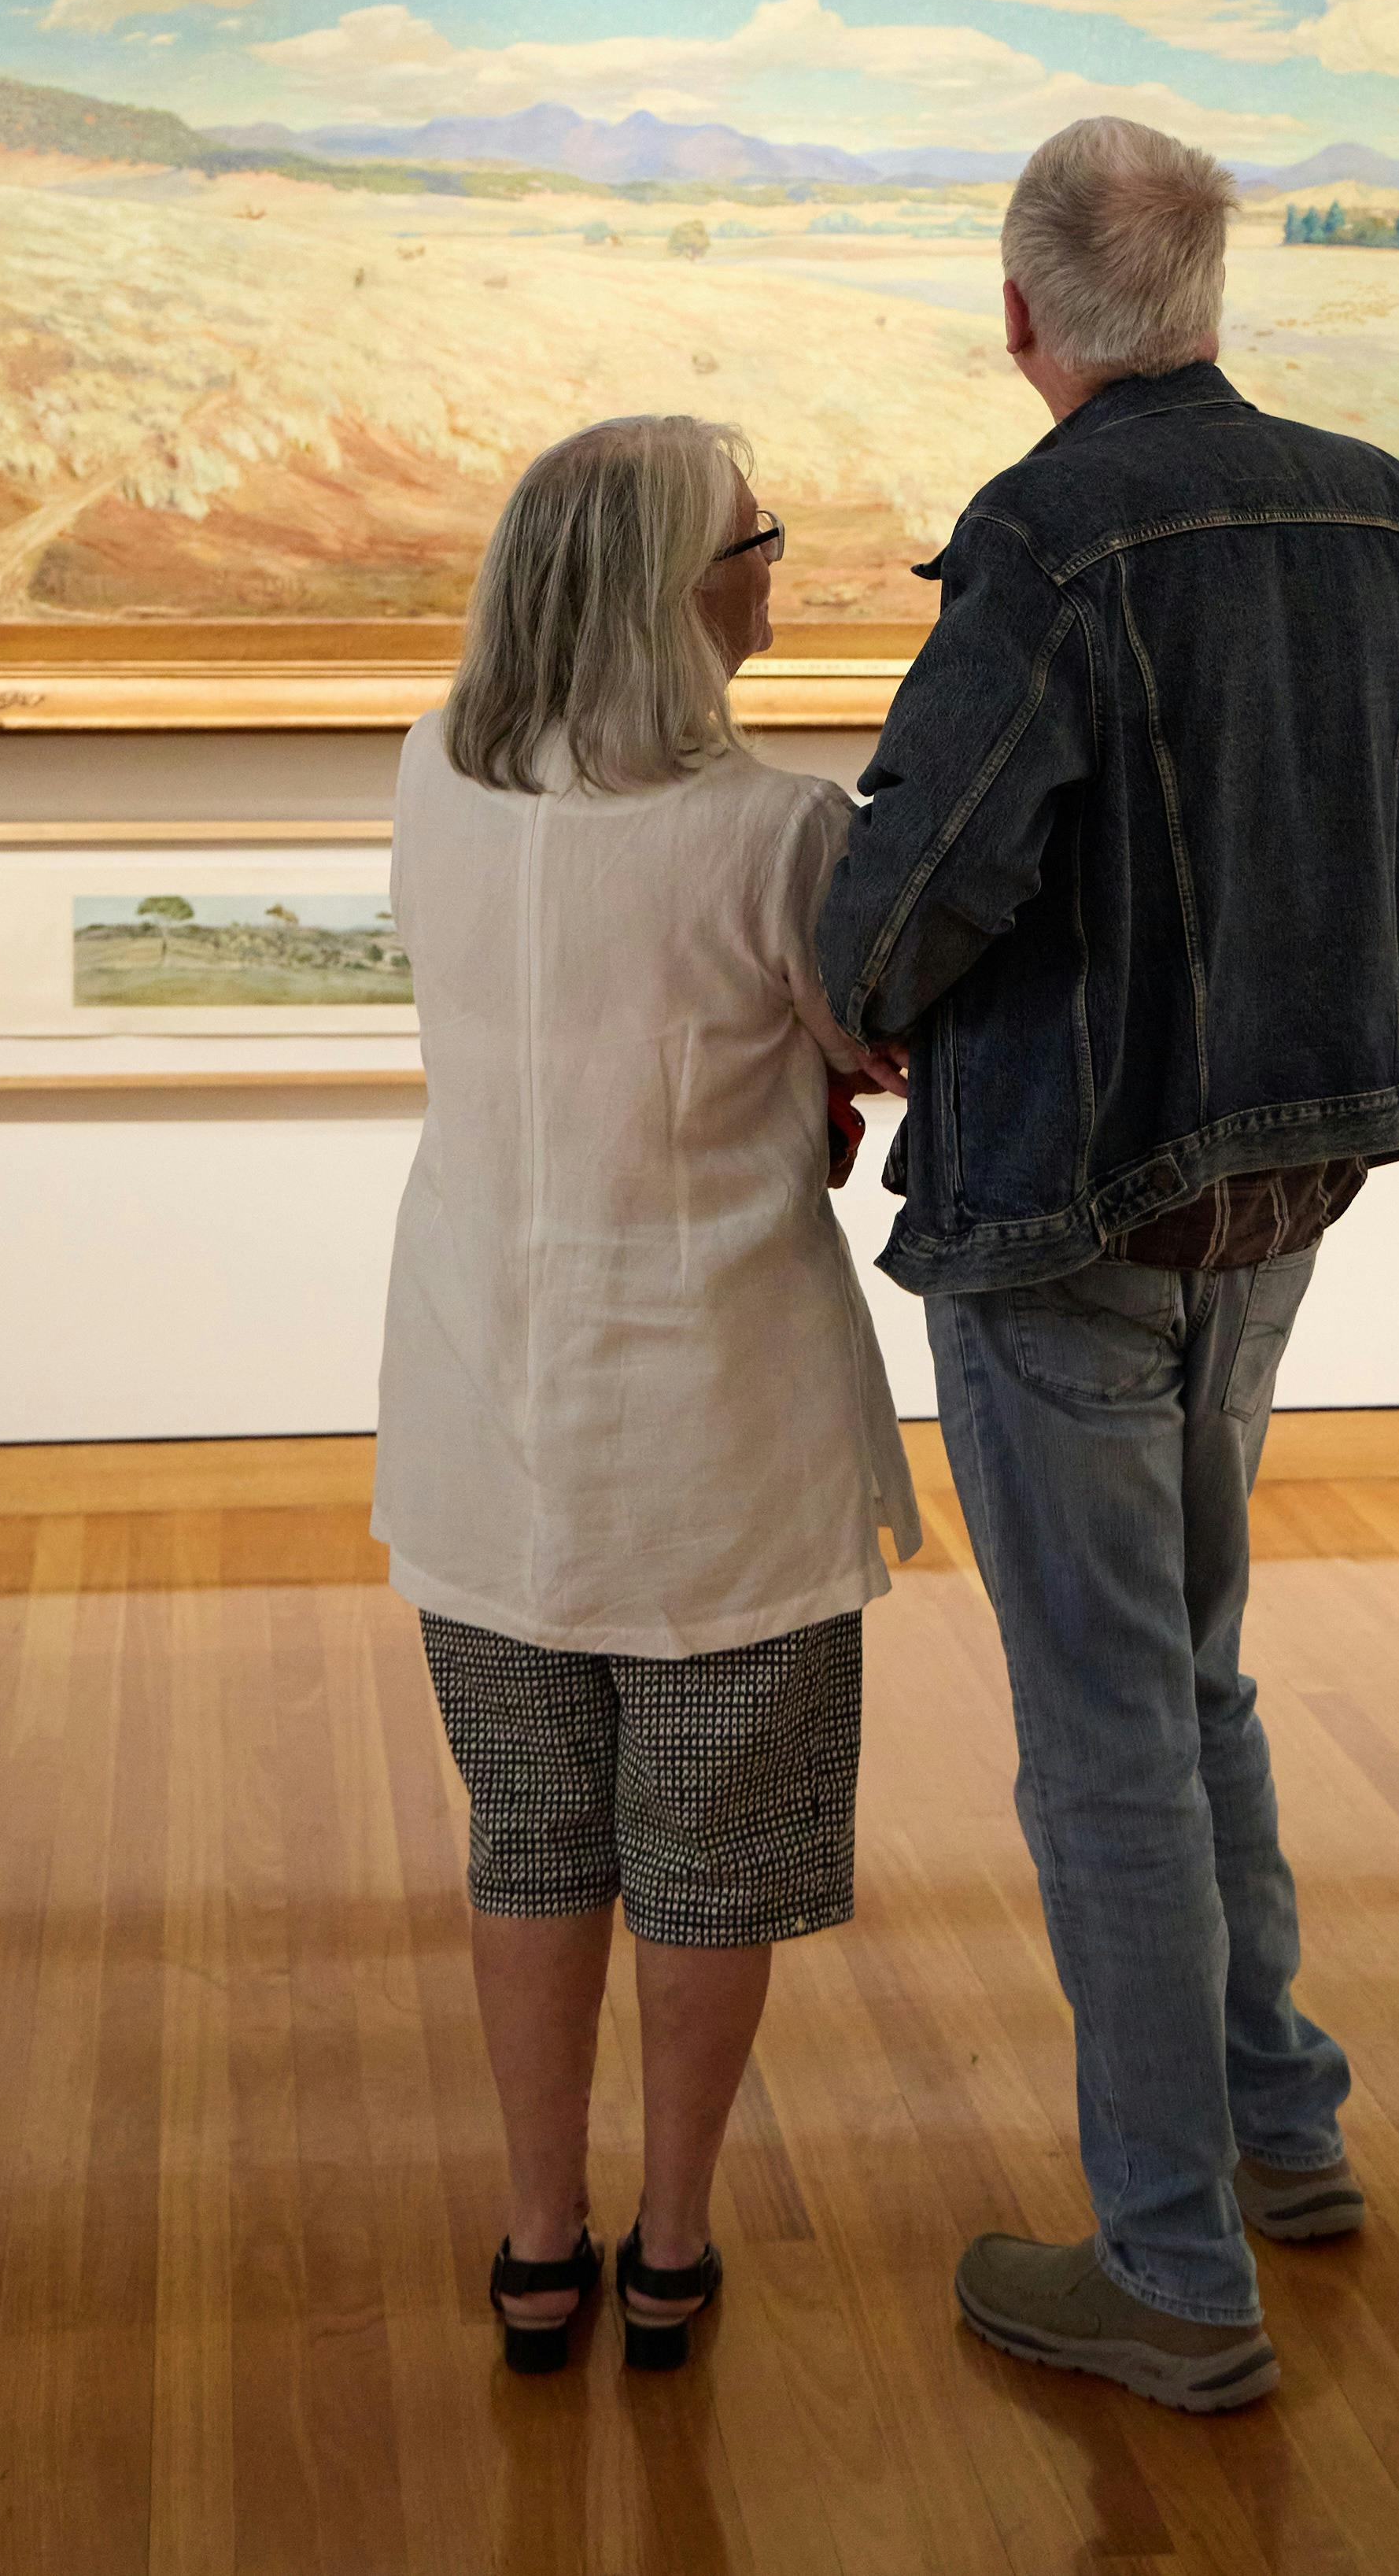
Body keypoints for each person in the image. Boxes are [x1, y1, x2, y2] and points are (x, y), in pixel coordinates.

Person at [817, 115, 1399, 2412]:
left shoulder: (1049, 542)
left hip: (1075, 1200)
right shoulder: (1384, 498)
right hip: (1279, 1195)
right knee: (1194, 1672)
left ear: (1021, 314)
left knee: (1105, 1735)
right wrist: (1361, 939)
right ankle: (1281, 2127)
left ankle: (1175, 2270)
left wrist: (862, 984)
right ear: (1208, 298)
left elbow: (919, 881)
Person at [375, 412, 918, 2378]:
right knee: (712, 1855)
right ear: (674, 597)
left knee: (530, 1836)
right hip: (715, 1423)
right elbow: (878, 1039)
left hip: (476, 1405)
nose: (778, 566)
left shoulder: (433, 772)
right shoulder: (782, 832)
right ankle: (672, 2246)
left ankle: (539, 2242)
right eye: (754, 541)